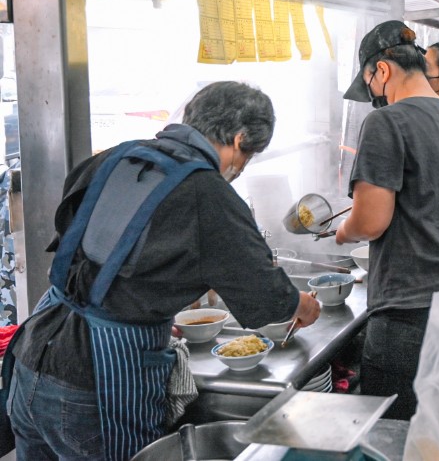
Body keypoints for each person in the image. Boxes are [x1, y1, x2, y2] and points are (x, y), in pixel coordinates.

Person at [4, 81, 321, 461]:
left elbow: (88, 250)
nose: (240, 168)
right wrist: (301, 305)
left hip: (34, 356)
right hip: (96, 386)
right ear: (238, 140)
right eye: (249, 155)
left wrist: (143, 300)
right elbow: (266, 298)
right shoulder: (208, 193)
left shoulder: (115, 158)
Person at [336, 21, 439, 420]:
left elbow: (371, 221)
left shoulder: (386, 122)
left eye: (371, 85)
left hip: (415, 320)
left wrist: (343, 232)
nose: (374, 97)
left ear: (384, 71)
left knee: (400, 440)